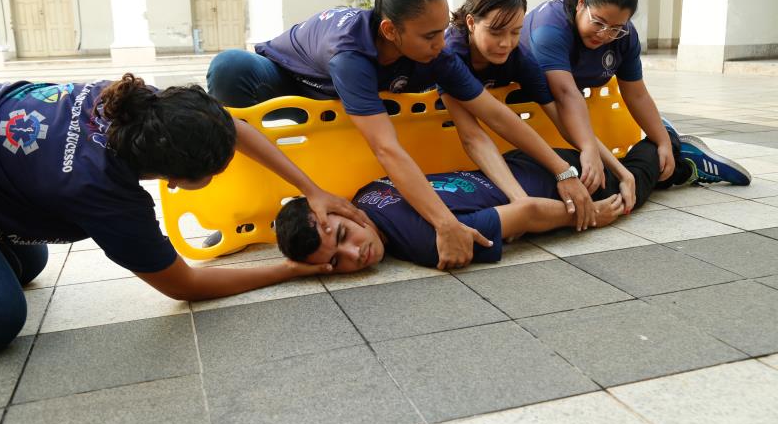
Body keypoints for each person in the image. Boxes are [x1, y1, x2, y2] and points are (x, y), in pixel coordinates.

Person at [206, 0, 594, 271]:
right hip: (290, 81)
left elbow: (494, 114)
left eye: (442, 30)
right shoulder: (351, 53)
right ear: (391, 31)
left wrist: (563, 171)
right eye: (430, 35)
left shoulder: (434, 52)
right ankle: (233, 209)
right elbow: (386, 150)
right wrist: (445, 224)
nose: (442, 43)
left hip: (352, 93)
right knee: (230, 68)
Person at [0, 74, 367, 357]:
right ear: (176, 181)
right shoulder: (103, 191)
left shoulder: (143, 110)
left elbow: (231, 127)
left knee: (28, 263)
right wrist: (288, 270)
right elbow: (184, 284)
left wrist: (311, 189)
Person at [274, 123, 743, 271]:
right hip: (527, 161)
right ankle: (668, 162)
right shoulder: (366, 194)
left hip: (563, 185)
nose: (354, 254)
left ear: (341, 213)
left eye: (342, 237)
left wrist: (589, 216)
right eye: (334, 262)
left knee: (632, 188)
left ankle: (667, 145)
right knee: (622, 172)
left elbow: (527, 214)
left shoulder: (423, 242)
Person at [519, 0, 751, 202]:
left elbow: (636, 94)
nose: (604, 34)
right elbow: (566, 95)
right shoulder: (549, 28)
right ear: (581, 3)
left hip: (571, 118)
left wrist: (661, 142)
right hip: (538, 114)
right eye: (598, 22)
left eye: (615, 28)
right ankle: (682, 161)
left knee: (611, 181)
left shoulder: (625, 36)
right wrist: (596, 153)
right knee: (604, 187)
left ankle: (670, 146)